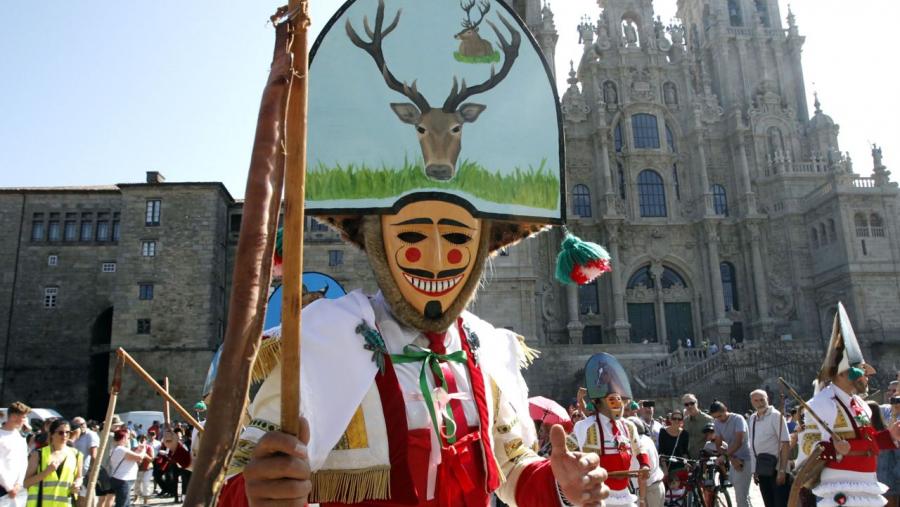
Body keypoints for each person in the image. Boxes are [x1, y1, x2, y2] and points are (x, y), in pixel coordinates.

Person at [212, 2, 613, 505]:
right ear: (379, 244)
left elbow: (512, 473)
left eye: (459, 239)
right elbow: (239, 481)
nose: (436, 258)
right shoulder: (321, 343)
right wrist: (256, 493)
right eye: (413, 237)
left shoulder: (487, 353)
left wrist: (560, 483)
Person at [795, 303, 900, 505]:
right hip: (840, 485)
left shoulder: (861, 403)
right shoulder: (821, 404)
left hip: (868, 484)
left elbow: (868, 442)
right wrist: (832, 449)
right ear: (843, 373)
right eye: (861, 371)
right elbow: (807, 445)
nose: (867, 376)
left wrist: (889, 437)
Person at [568, 353, 650, 506]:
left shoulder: (629, 426)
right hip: (598, 496)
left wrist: (644, 465)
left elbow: (639, 450)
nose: (618, 405)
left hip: (625, 495)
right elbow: (567, 453)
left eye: (619, 400)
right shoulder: (584, 427)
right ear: (600, 402)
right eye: (612, 400)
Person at [24, 419, 82, 507]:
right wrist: (46, 472)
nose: (65, 435)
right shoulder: (38, 454)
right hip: (40, 504)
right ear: (51, 434)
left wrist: (77, 484)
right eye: (60, 432)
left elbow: (79, 477)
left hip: (64, 504)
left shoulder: (77, 454)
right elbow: (26, 483)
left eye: (68, 432)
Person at [747, 389, 790, 507]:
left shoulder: (776, 416)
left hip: (777, 468)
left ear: (767, 399)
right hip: (762, 468)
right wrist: (754, 469)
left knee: (780, 503)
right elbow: (752, 445)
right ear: (752, 402)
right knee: (768, 503)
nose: (760, 402)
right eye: (756, 400)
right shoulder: (752, 418)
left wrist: (782, 470)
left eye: (762, 399)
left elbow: (785, 443)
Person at [709, 401, 751, 507]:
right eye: (716, 417)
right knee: (741, 494)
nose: (719, 419)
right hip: (734, 458)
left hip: (746, 458)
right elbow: (718, 445)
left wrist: (726, 456)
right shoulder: (717, 423)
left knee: (741, 496)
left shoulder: (738, 419)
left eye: (720, 415)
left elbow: (739, 442)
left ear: (726, 410)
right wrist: (731, 458)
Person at [627, 418, 664, 507]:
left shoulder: (637, 447)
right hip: (656, 487)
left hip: (648, 491)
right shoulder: (647, 439)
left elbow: (642, 477)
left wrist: (642, 500)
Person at [0, 402, 31, 507]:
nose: (24, 421)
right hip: (3, 488)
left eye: (25, 417)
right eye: (23, 417)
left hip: (18, 489)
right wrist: (9, 488)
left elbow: (23, 462)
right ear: (13, 416)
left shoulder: (20, 437)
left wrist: (19, 484)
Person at [108, 429, 145, 507]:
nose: (128, 440)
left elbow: (131, 457)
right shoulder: (121, 449)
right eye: (128, 438)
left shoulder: (117, 449)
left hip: (121, 479)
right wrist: (144, 449)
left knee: (124, 503)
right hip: (123, 480)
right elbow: (139, 457)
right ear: (123, 438)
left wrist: (139, 449)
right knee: (123, 504)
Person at [71, 416, 99, 506]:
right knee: (76, 500)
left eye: (83, 424)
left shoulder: (90, 435)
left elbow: (94, 456)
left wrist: (91, 473)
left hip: (85, 474)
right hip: (73, 473)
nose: (81, 426)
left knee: (84, 500)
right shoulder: (73, 435)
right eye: (78, 425)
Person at [681, 393, 714, 459]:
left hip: (705, 460)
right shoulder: (685, 421)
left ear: (697, 403)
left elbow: (714, 440)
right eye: (686, 404)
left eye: (692, 403)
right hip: (689, 460)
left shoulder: (708, 419)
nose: (689, 406)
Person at [657, 409, 688, 477]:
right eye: (674, 418)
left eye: (679, 419)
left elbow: (684, 452)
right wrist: (665, 468)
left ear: (682, 421)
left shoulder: (685, 434)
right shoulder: (663, 432)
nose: (677, 421)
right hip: (667, 466)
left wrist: (686, 464)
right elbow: (661, 451)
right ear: (671, 420)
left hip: (680, 467)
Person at [132, 435, 154, 505]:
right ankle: (136, 498)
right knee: (136, 484)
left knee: (145, 483)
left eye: (144, 440)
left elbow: (152, 459)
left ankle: (145, 500)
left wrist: (145, 455)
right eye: (141, 440)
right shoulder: (134, 448)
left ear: (146, 441)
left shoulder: (149, 448)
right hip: (138, 469)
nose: (142, 441)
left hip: (147, 468)